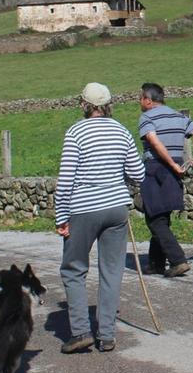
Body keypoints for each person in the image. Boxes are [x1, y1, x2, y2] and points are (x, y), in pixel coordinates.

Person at [56, 82, 145, 354]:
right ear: (108, 105)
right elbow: (138, 174)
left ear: (84, 104)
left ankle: (81, 331)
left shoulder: (76, 132)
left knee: (73, 269)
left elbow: (66, 178)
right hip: (116, 208)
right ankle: (106, 335)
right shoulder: (121, 130)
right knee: (112, 270)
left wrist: (61, 216)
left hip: (83, 208)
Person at [138, 82, 193, 277]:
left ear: (148, 100)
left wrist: (170, 163)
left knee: (154, 219)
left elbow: (153, 140)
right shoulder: (178, 116)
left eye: (141, 98)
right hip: (175, 167)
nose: (139, 102)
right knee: (162, 216)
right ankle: (155, 264)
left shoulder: (146, 117)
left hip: (156, 167)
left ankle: (178, 260)